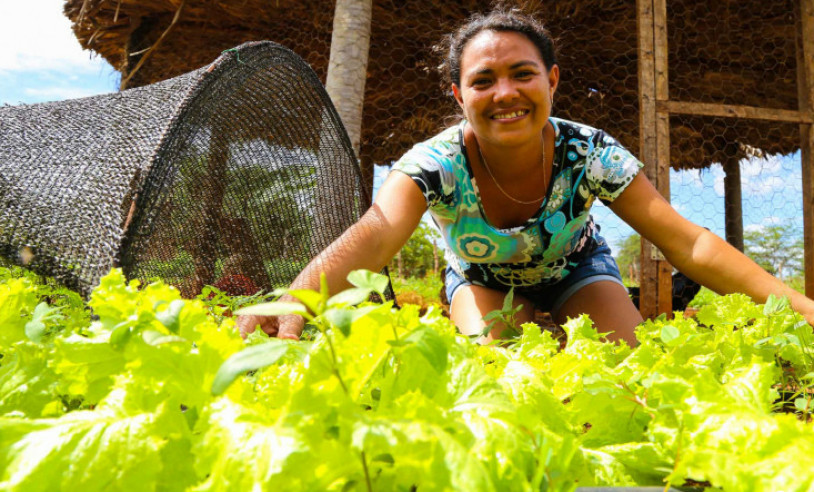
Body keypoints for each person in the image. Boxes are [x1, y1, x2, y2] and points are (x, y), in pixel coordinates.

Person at [238, 9, 814, 345]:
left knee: (624, 362)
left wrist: (797, 306)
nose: (506, 93)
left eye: (523, 74)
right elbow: (378, 229)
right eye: (484, 80)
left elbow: (687, 240)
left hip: (578, 270)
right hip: (482, 277)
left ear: (552, 81)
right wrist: (297, 297)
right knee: (494, 368)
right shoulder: (433, 164)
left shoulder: (590, 152)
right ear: (459, 95)